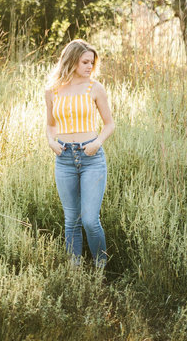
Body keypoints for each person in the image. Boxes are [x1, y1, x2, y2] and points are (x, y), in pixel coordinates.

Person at [44, 38, 116, 268]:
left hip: (91, 158)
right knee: (71, 221)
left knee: (90, 220)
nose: (89, 67)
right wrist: (50, 142)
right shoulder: (52, 90)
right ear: (73, 60)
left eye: (92, 63)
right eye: (85, 62)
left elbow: (109, 124)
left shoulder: (94, 88)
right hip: (64, 158)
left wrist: (97, 142)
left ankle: (100, 266)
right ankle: (74, 271)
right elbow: (51, 124)